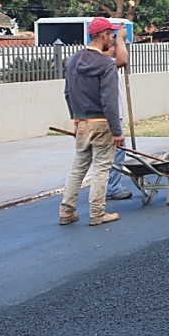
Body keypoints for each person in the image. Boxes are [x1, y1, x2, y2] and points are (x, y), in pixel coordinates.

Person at [59, 17, 126, 226]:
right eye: (112, 36)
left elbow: (68, 93)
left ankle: (66, 211)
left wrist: (76, 118)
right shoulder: (106, 64)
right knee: (101, 169)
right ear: (104, 35)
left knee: (78, 168)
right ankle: (97, 213)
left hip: (83, 122)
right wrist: (117, 131)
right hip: (101, 123)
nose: (112, 40)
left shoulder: (72, 61)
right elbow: (109, 101)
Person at [106, 23, 132, 200]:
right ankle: (112, 187)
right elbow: (123, 60)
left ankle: (107, 188)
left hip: (95, 118)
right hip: (110, 116)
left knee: (105, 155)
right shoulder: (106, 63)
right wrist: (120, 39)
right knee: (117, 151)